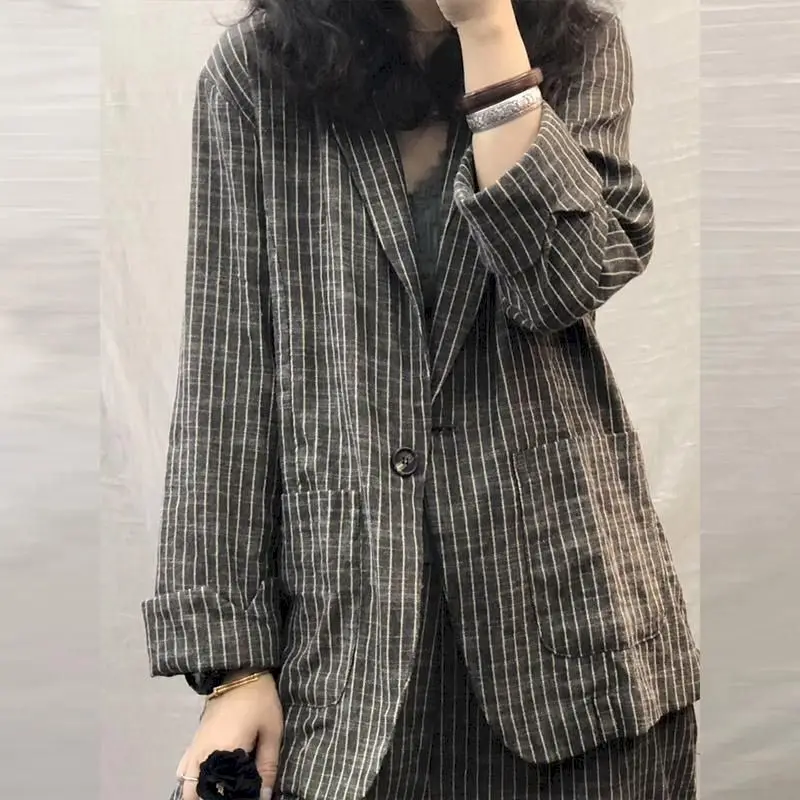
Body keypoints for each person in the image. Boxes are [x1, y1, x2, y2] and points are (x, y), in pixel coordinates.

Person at [142, 0, 700, 798]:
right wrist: (232, 667)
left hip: (575, 651)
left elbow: (563, 284)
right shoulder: (258, 74)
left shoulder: (579, 44)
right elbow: (225, 367)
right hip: (350, 663)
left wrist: (488, 31)